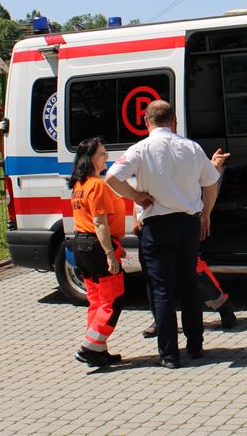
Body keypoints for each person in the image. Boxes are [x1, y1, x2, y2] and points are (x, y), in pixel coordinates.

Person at [105, 100, 221, 369]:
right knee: (189, 285)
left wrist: (137, 196)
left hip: (157, 228)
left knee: (162, 290)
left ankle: (169, 354)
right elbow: (211, 182)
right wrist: (206, 214)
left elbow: (112, 177)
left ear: (146, 122)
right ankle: (196, 345)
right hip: (188, 224)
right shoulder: (191, 147)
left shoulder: (141, 148)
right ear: (173, 121)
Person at [136, 148, 236, 338]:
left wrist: (214, 166)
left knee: (196, 272)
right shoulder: (146, 158)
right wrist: (138, 219)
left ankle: (222, 305)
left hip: (183, 223)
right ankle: (159, 319)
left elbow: (203, 180)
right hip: (153, 226)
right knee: (156, 278)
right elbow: (139, 194)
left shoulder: (181, 155)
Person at [68, 137, 147, 368]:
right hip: (96, 247)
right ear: (90, 159)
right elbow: (99, 223)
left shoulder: (79, 185)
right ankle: (89, 347)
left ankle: (98, 350)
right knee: (113, 300)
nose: (106, 157)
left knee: (96, 300)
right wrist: (110, 254)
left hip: (82, 245)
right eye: (102, 154)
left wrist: (114, 248)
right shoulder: (97, 185)